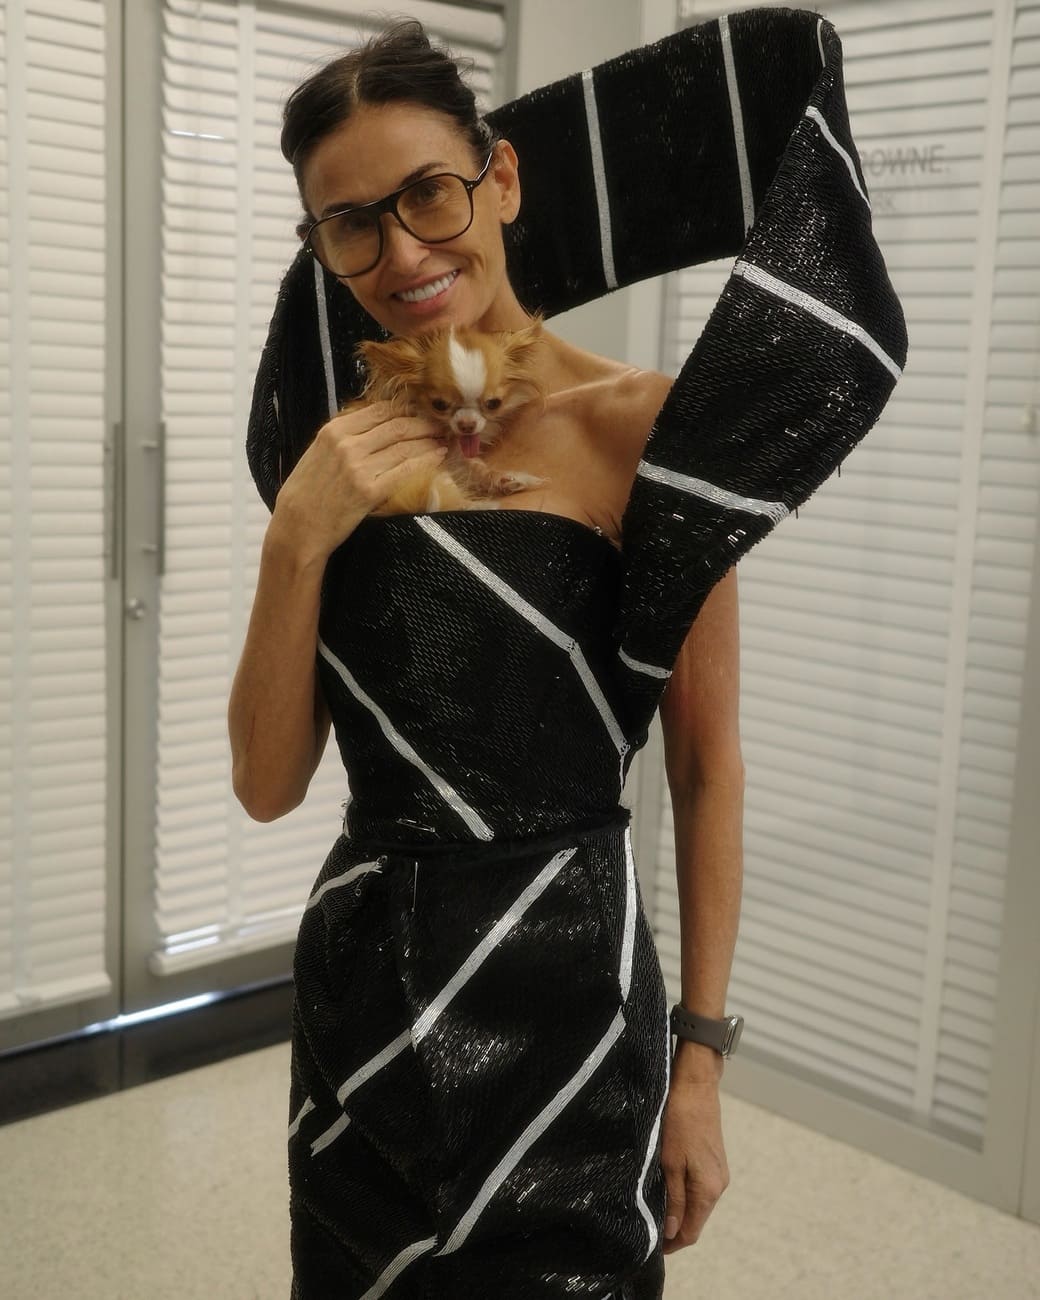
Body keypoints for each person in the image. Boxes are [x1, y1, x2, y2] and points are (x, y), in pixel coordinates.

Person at [229, 19, 735, 1300]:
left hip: (575, 998)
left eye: (426, 195)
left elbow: (706, 767)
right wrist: (296, 536)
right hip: (367, 1005)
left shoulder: (645, 430)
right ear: (321, 248)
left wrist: (698, 1061)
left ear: (498, 179)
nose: (401, 253)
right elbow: (267, 786)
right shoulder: (336, 457)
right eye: (351, 224)